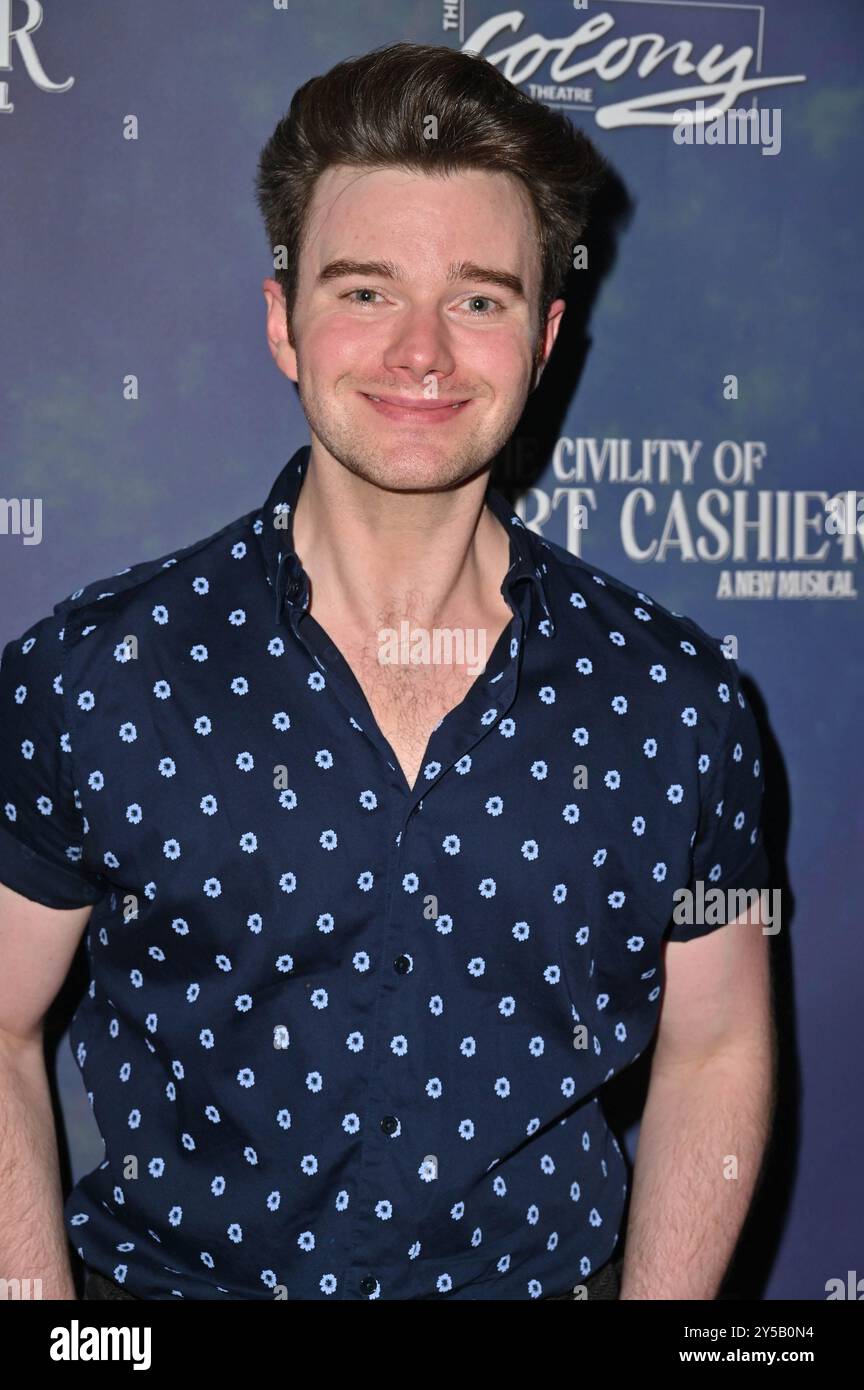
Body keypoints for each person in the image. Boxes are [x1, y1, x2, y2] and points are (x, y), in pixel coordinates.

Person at [0, 41, 775, 1302]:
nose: (422, 353)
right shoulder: (100, 678)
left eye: (478, 298)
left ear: (545, 334)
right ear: (282, 321)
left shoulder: (677, 707)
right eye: (365, 292)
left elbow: (716, 1041)